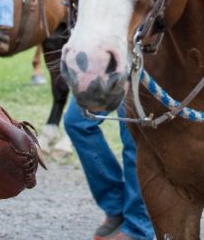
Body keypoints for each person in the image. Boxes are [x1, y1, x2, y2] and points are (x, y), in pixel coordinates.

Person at [64, 101, 154, 240]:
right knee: (76, 121)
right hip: (108, 78)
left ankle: (138, 226)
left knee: (133, 135)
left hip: (139, 80)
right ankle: (115, 205)